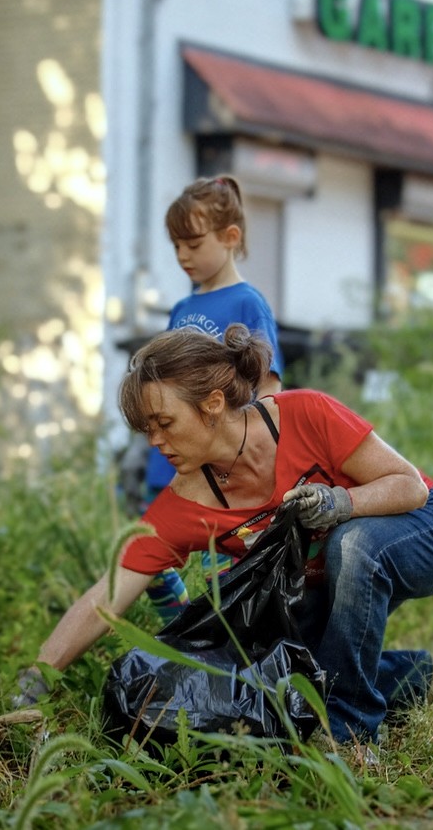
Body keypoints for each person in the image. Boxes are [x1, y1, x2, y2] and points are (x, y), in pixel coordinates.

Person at [17, 324, 433, 748]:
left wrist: (339, 503)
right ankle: (409, 675)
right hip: (329, 583)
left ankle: (347, 734)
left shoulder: (305, 413)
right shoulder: (184, 504)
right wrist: (37, 679)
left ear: (213, 404)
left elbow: (409, 487)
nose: (154, 440)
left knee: (350, 544)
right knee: (278, 669)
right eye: (146, 429)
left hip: (429, 530)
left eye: (164, 423)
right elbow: (107, 595)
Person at [141, 175, 285, 624]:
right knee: (147, 560)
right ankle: (184, 632)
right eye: (176, 246)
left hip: (220, 473)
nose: (183, 255)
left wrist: (246, 461)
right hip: (169, 460)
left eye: (193, 244)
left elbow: (270, 389)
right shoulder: (182, 310)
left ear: (230, 237)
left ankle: (216, 644)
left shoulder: (248, 304)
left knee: (220, 572)